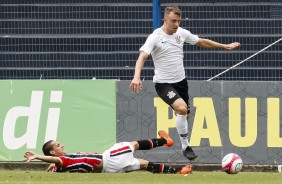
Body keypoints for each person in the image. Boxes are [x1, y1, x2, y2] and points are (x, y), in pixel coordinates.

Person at [130, 6, 241, 160]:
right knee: (182, 108)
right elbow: (142, 57)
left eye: (178, 21)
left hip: (181, 82)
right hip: (164, 84)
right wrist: (136, 76)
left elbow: (201, 42)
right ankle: (186, 146)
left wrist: (224, 46)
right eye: (173, 21)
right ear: (165, 20)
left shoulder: (181, 33)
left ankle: (180, 142)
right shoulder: (155, 37)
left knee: (185, 114)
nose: (176, 24)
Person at [24, 130, 192, 174]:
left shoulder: (60, 166)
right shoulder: (62, 160)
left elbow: (55, 166)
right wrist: (38, 156)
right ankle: (164, 141)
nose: (62, 146)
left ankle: (178, 172)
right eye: (58, 145)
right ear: (53, 153)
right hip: (108, 159)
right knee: (131, 144)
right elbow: (56, 162)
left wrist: (50, 166)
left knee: (143, 165)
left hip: (109, 169)